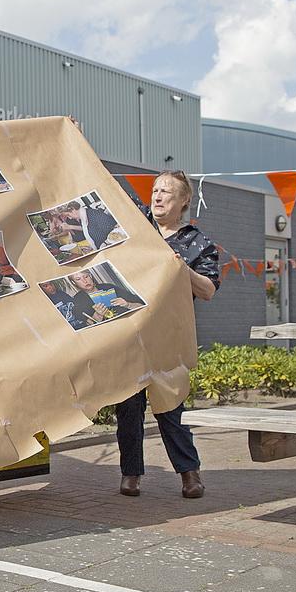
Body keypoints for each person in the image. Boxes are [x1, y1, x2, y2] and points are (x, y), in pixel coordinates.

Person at [116, 170, 219, 499]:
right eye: (155, 190)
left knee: (170, 408)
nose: (158, 197)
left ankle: (190, 474)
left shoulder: (197, 243)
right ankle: (131, 474)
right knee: (128, 408)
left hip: (168, 338)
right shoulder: (137, 223)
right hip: (131, 334)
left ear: (184, 200)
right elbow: (105, 193)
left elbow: (208, 290)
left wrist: (182, 268)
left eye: (167, 192)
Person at [69, 269, 145, 327]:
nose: (85, 281)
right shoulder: (78, 300)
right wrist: (97, 316)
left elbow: (142, 305)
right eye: (78, 279)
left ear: (90, 276)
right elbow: (88, 325)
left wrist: (128, 304)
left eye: (86, 276)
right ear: (74, 283)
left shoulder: (108, 287)